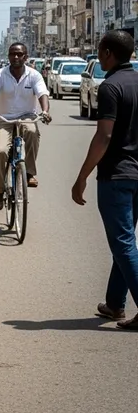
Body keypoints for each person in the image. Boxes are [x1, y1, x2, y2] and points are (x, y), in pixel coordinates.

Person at [72, 30, 138, 330]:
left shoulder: (110, 86)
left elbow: (105, 135)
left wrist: (82, 176)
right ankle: (114, 304)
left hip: (116, 176)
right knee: (124, 242)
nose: (98, 55)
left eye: (100, 50)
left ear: (109, 53)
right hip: (136, 175)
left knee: (123, 243)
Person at [0, 42, 51, 210]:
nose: (15, 57)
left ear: (25, 57)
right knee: (0, 152)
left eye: (19, 54)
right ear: (8, 57)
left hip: (27, 117)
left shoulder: (34, 75)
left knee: (32, 132)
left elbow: (42, 94)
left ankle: (29, 173)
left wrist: (45, 111)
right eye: (12, 54)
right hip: (4, 119)